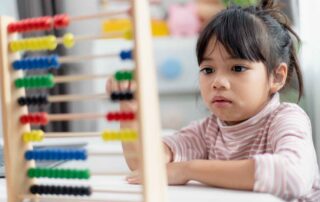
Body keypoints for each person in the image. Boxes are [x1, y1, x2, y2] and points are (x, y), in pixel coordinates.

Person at [106, 0, 320, 201]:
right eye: (208, 69)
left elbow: (293, 175)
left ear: (277, 77)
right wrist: (129, 109)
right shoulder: (207, 131)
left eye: (238, 68)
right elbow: (145, 165)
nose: (218, 82)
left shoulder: (286, 118)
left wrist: (188, 169)